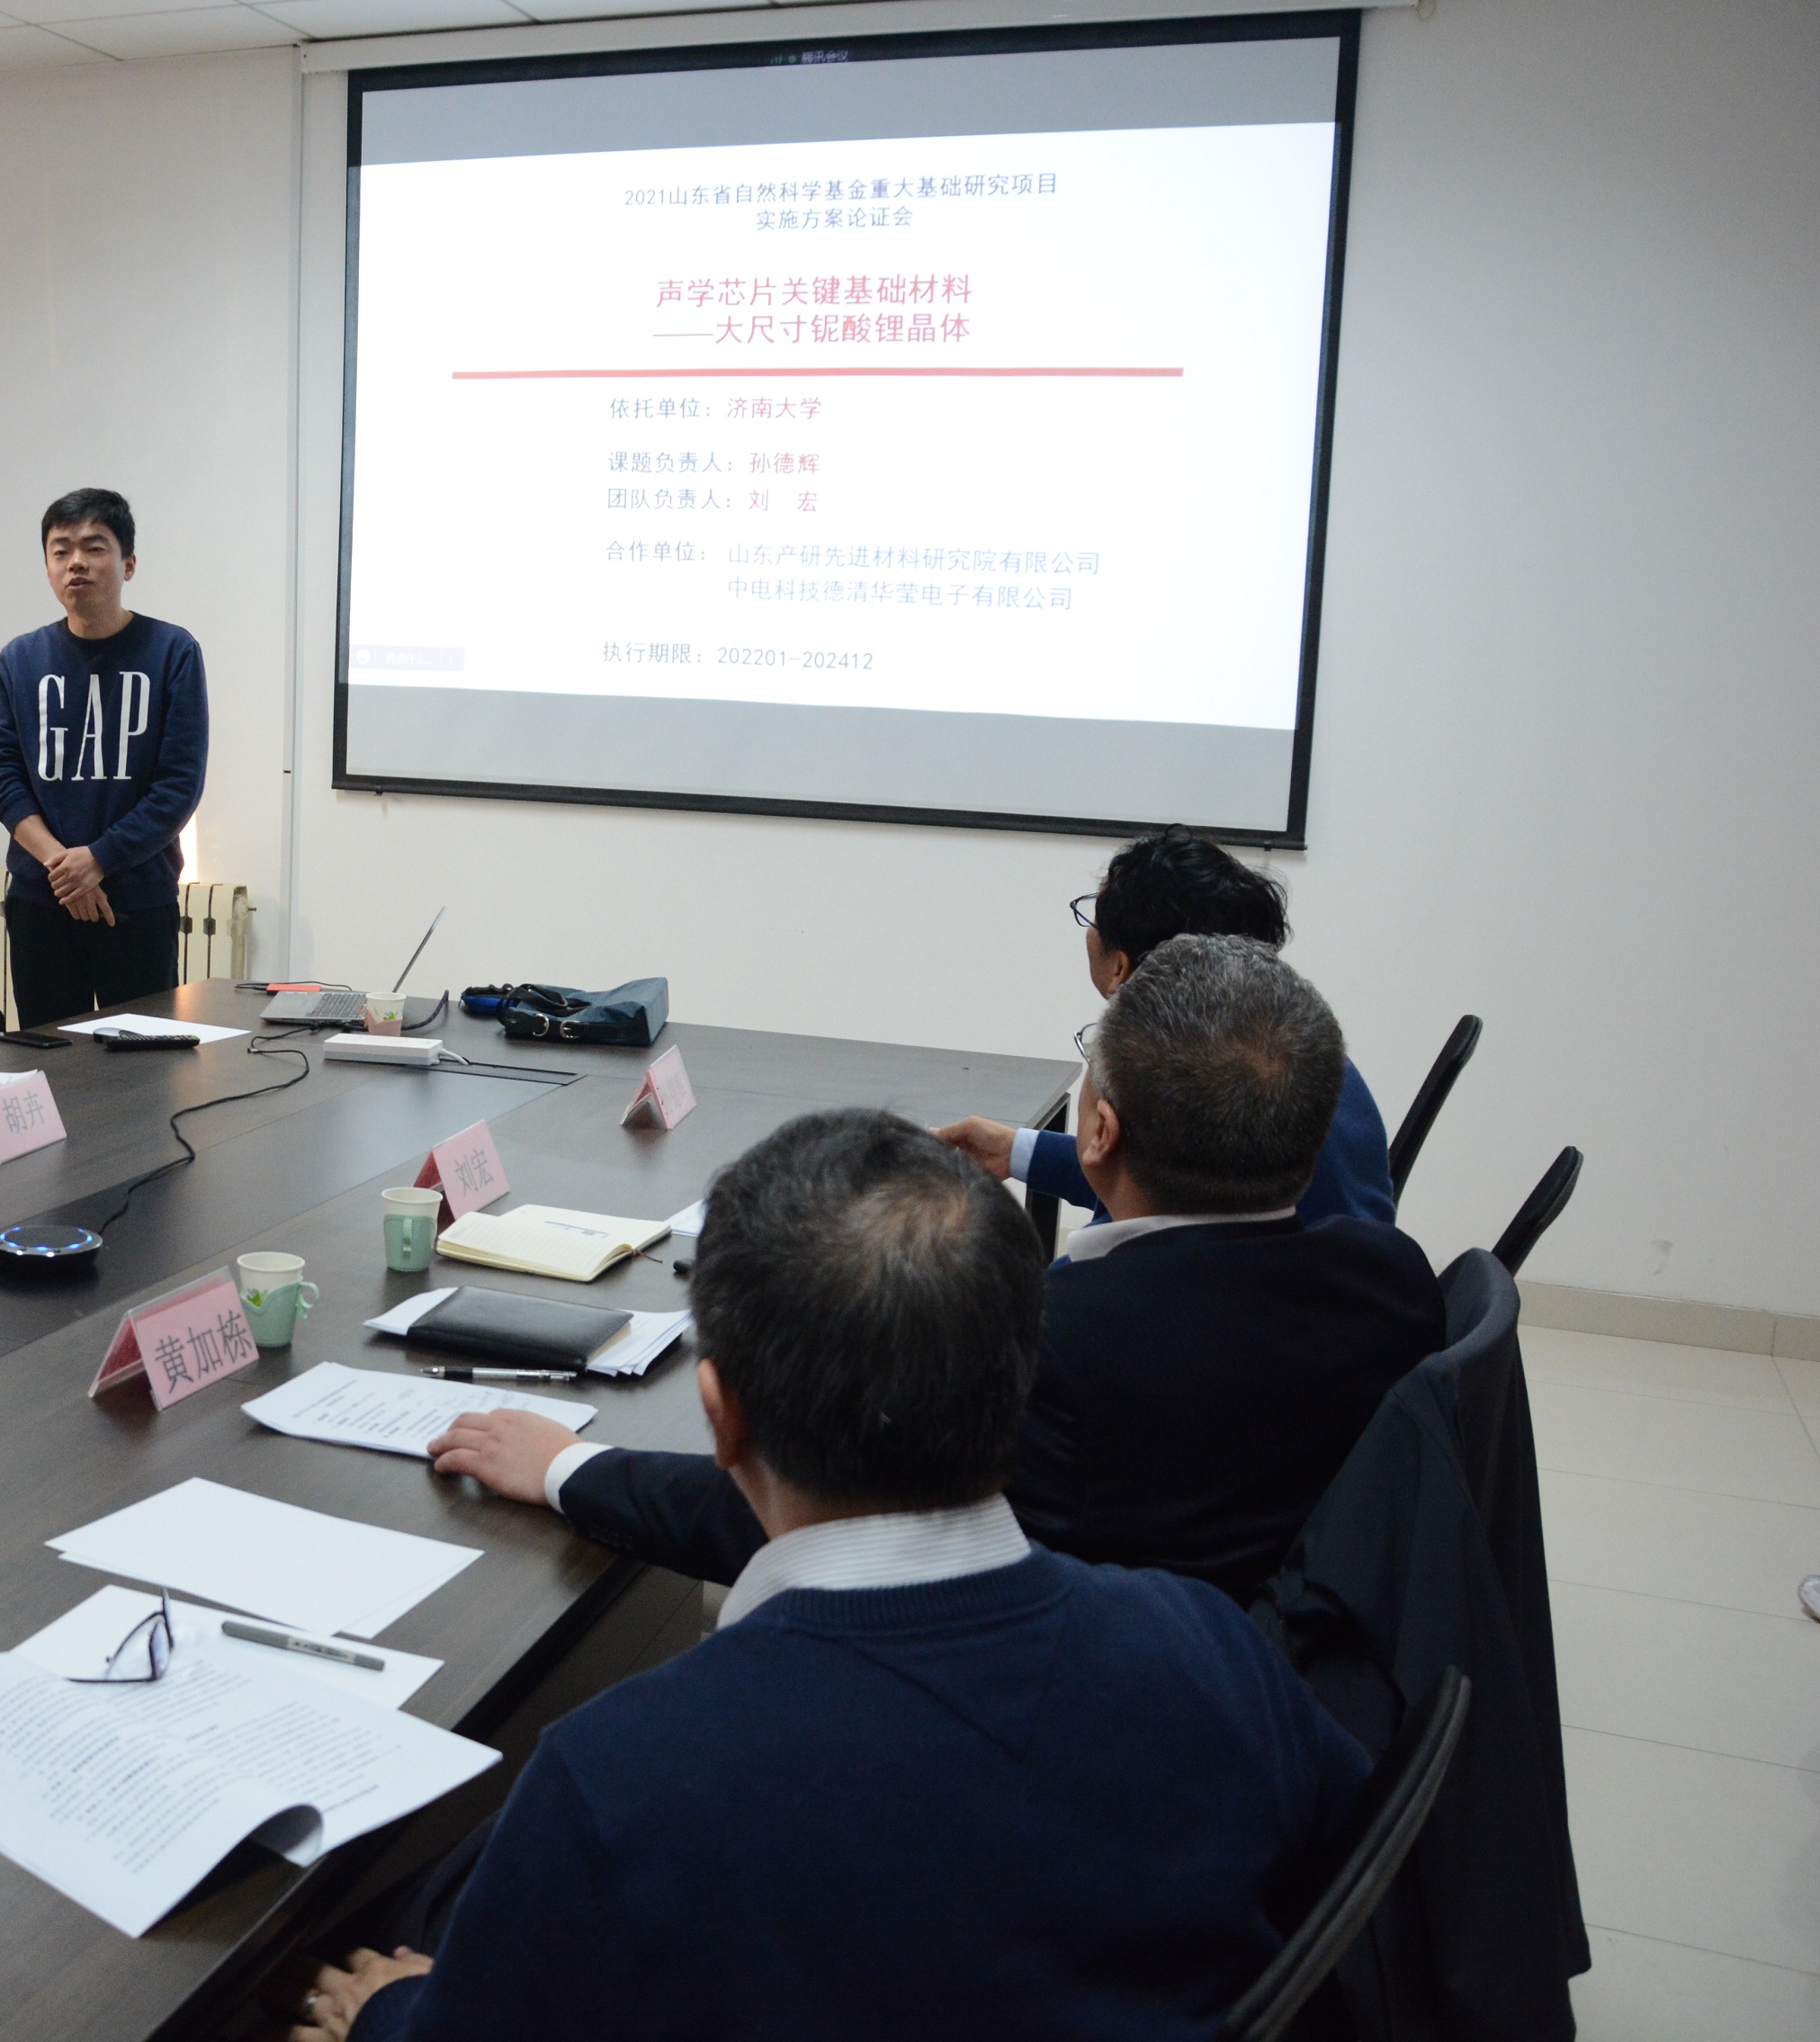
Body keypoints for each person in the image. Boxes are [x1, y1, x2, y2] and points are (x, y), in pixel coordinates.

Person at [301, 1109, 1371, 2042]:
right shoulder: (1209, 1646)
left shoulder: (619, 1780)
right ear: (1017, 1377)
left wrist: (389, 2011)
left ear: (719, 1415)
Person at [434, 936, 1446, 1606]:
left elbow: (834, 1513)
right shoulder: (1393, 1282)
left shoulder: (1058, 1344)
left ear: (1100, 1129)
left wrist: (568, 1467)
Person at [938, 826, 1394, 1227]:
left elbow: (1143, 1212)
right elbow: (1150, 1177)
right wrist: (1015, 1150)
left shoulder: (1186, 1088)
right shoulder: (1298, 1057)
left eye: (1094, 916)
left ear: (1121, 968)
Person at [0, 488, 208, 1028]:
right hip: (41, 901)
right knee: (53, 1061)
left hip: (137, 901)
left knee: (142, 1063)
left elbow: (179, 785)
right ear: (48, 568)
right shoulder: (20, 659)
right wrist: (65, 868)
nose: (75, 562)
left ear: (128, 564)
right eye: (60, 551)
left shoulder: (172, 652)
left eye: (94, 547)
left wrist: (99, 859)